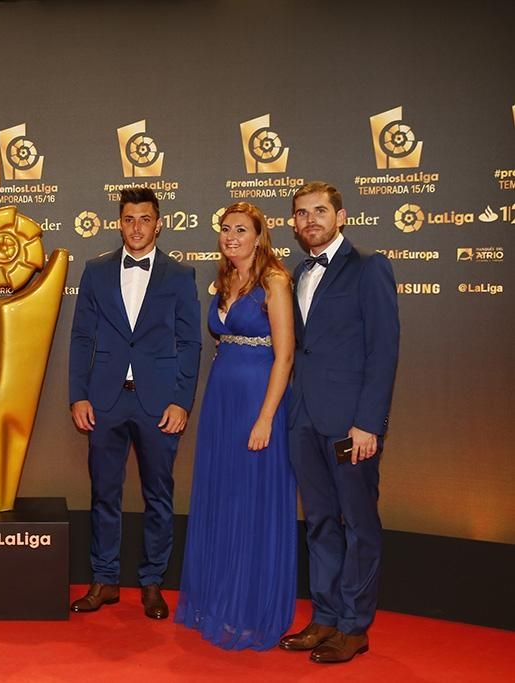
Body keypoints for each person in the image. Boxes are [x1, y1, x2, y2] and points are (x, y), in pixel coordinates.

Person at [279, 182, 399, 663]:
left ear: (341, 216)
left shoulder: (369, 268)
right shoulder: (294, 274)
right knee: (321, 524)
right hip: (304, 418)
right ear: (293, 223)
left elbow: (384, 350)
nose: (310, 220)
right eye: (302, 213)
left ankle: (354, 625)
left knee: (359, 525)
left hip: (351, 424)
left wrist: (368, 422)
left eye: (320, 211)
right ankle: (325, 618)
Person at [68, 186, 201, 620]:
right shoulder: (95, 270)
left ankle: (151, 583)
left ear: (158, 223)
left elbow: (191, 341)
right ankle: (104, 580)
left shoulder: (180, 275)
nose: (136, 227)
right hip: (105, 402)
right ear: (119, 222)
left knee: (158, 497)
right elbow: (81, 337)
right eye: (129, 219)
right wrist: (78, 395)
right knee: (103, 494)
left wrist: (182, 401)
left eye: (145, 219)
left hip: (158, 403)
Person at [175, 202, 296, 650]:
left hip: (256, 403)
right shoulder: (225, 279)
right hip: (222, 399)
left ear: (259, 235)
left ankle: (250, 610)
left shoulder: (275, 282)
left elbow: (284, 355)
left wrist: (265, 417)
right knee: (221, 499)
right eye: (225, 228)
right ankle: (216, 602)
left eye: (241, 229)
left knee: (251, 504)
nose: (230, 236)